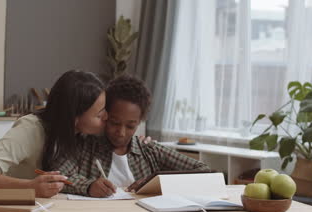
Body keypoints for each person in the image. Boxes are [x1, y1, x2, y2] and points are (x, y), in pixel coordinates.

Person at [54, 75, 210, 197]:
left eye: (130, 126)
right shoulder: (85, 145)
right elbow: (59, 176)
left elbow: (204, 172)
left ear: (140, 122)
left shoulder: (149, 151)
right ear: (105, 114)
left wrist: (157, 182)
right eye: (114, 123)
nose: (121, 133)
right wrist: (88, 186)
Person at [0, 70, 108, 198]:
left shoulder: (82, 134)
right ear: (75, 118)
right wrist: (30, 186)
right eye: (99, 115)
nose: (107, 117)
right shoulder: (31, 129)